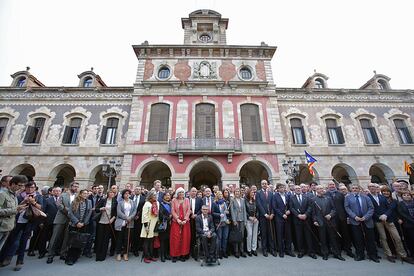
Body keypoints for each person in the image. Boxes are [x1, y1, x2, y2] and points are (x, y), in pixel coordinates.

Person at [0, 180, 43, 271]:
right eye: (28, 187)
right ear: (25, 187)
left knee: (23, 241)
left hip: (29, 221)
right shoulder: (19, 195)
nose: (30, 189)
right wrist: (25, 201)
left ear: (35, 188)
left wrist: (33, 202)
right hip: (17, 220)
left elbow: (40, 207)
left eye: (32, 187)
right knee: (11, 240)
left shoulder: (38, 196)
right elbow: (15, 207)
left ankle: (19, 261)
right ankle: (4, 258)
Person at [368, 183, 412, 263]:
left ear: (377, 188)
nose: (373, 188)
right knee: (384, 238)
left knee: (397, 237)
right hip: (378, 221)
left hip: (388, 219)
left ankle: (403, 255)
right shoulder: (367, 197)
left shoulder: (382, 197)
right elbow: (370, 210)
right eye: (370, 187)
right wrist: (379, 217)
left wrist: (385, 215)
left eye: (374, 186)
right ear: (368, 188)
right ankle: (389, 254)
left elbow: (389, 208)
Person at [344, 184, 379, 262]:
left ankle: (372, 255)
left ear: (359, 189)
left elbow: (371, 208)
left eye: (356, 188)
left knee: (370, 239)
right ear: (351, 189)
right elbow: (347, 208)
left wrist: (365, 217)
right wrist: (354, 216)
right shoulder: (348, 198)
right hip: (355, 221)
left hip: (367, 220)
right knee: (358, 239)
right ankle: (360, 254)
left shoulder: (366, 197)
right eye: (353, 188)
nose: (355, 189)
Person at [46, 181, 79, 264]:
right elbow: (59, 205)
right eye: (74, 186)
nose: (76, 188)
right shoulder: (63, 195)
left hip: (70, 220)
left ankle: (63, 253)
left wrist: (72, 215)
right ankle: (50, 255)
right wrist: (68, 212)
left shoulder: (77, 196)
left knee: (66, 238)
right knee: (55, 237)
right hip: (61, 218)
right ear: (71, 186)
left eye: (77, 187)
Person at [311, 185, 344, 261]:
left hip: (330, 221)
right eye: (318, 188)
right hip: (320, 222)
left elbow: (334, 209)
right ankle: (325, 253)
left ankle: (337, 253)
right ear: (316, 190)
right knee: (323, 239)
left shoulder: (329, 198)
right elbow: (313, 212)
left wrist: (330, 215)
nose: (320, 189)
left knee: (333, 238)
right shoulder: (313, 199)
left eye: (321, 188)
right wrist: (315, 220)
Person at [325, 181, 354, 257]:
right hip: (331, 218)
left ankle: (348, 249)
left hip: (342, 217)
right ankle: (337, 250)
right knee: (334, 235)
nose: (332, 186)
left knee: (345, 234)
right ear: (328, 186)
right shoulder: (325, 195)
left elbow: (345, 206)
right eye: (330, 184)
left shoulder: (340, 194)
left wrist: (347, 216)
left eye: (333, 184)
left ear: (335, 186)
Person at [0, 175, 27, 251]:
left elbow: (13, 209)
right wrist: (16, 209)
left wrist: (21, 206)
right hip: (1, 226)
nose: (21, 188)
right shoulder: (2, 194)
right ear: (13, 184)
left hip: (8, 226)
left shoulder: (14, 195)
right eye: (19, 185)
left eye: (23, 186)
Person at [65, 189, 92, 265]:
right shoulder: (75, 201)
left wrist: (84, 223)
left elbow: (89, 213)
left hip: (83, 225)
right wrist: (77, 222)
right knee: (72, 242)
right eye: (84, 193)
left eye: (87, 193)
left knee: (80, 242)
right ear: (80, 194)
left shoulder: (89, 202)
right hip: (74, 224)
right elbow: (70, 213)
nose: (85, 195)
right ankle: (69, 258)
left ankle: (75, 257)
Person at [289, 185, 316, 259]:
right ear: (294, 190)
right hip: (297, 220)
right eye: (296, 188)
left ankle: (311, 251)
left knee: (308, 236)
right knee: (299, 236)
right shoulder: (291, 198)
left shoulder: (306, 197)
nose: (298, 189)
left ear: (301, 189)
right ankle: (301, 251)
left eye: (299, 188)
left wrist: (306, 215)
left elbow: (310, 207)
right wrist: (298, 215)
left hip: (306, 219)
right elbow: (291, 208)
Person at [37, 186, 61, 259]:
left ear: (61, 192)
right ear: (52, 192)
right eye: (55, 191)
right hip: (48, 221)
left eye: (58, 191)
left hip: (58, 222)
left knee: (55, 238)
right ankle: (42, 252)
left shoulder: (62, 200)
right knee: (43, 237)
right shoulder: (47, 200)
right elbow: (43, 211)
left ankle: (53, 250)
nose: (57, 192)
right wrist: (41, 222)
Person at [272, 183, 295, 257]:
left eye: (283, 187)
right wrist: (282, 215)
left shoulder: (288, 195)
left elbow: (290, 205)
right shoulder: (275, 196)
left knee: (288, 234)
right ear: (278, 189)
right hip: (279, 218)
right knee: (280, 235)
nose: (282, 189)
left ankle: (288, 250)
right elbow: (275, 207)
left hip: (288, 218)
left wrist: (289, 211)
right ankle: (281, 250)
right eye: (280, 187)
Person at [94, 190, 117, 261]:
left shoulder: (115, 201)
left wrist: (112, 219)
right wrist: (101, 209)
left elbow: (115, 213)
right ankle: (98, 255)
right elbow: (96, 209)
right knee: (99, 238)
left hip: (109, 222)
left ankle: (103, 255)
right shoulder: (103, 200)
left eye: (113, 193)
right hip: (101, 221)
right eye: (111, 192)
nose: (112, 193)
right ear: (108, 193)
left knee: (106, 239)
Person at [114, 189, 137, 261]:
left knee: (127, 239)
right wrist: (126, 218)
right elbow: (119, 212)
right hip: (122, 222)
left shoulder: (133, 202)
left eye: (128, 193)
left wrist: (130, 218)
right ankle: (118, 253)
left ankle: (125, 253)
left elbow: (134, 211)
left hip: (130, 222)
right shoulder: (120, 203)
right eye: (125, 193)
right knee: (120, 238)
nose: (127, 195)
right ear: (123, 195)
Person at [170, 187, 191, 262]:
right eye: (179, 192)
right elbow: (172, 210)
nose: (181, 194)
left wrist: (185, 219)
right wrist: (177, 219)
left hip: (185, 223)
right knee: (176, 239)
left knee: (185, 239)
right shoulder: (174, 200)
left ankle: (183, 254)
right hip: (176, 222)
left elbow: (189, 210)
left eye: (182, 192)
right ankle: (175, 255)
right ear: (177, 193)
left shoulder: (187, 200)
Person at [256, 180, 276, 256]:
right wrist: (265, 214)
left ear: (267, 184)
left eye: (265, 183)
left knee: (271, 233)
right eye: (263, 184)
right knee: (264, 234)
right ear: (261, 185)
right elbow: (259, 204)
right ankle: (264, 249)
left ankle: (271, 249)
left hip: (271, 216)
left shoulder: (271, 193)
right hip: (263, 217)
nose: (264, 185)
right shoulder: (258, 193)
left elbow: (273, 204)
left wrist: (272, 214)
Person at [141, 191, 159, 263]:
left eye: (155, 196)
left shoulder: (155, 203)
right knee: (146, 241)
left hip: (153, 224)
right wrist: (146, 226)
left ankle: (151, 256)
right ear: (150, 196)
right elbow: (144, 215)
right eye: (154, 195)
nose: (155, 197)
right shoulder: (147, 203)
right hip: (148, 224)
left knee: (151, 241)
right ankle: (146, 256)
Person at [230, 188, 247, 258]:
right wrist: (234, 220)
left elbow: (244, 211)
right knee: (236, 236)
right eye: (236, 191)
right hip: (236, 220)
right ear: (234, 193)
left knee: (242, 236)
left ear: (240, 193)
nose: (237, 193)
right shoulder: (232, 200)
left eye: (238, 191)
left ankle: (242, 251)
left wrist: (245, 220)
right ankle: (236, 251)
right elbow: (232, 211)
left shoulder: (243, 200)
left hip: (242, 219)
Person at [397, 190, 414, 257]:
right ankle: (412, 254)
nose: (406, 196)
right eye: (404, 195)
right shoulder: (400, 204)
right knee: (411, 239)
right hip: (408, 224)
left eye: (408, 195)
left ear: (411, 196)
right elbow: (402, 214)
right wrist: (412, 220)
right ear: (402, 196)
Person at [213, 191, 230, 258]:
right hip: (219, 223)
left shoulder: (224, 202)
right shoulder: (215, 203)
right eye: (219, 194)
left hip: (225, 222)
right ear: (216, 195)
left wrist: (227, 212)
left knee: (225, 238)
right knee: (219, 238)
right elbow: (213, 213)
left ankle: (224, 251)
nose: (220, 195)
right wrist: (219, 215)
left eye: (221, 194)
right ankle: (219, 252)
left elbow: (227, 212)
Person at [188, 187, 202, 259]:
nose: (194, 192)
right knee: (189, 235)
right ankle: (188, 251)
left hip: (196, 219)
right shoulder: (186, 199)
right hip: (188, 219)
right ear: (190, 192)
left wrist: (196, 214)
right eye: (192, 191)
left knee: (195, 236)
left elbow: (201, 209)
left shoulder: (199, 200)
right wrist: (189, 213)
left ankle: (195, 252)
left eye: (195, 191)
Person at [131, 186, 145, 256]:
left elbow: (143, 209)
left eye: (139, 189)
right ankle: (130, 248)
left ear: (141, 191)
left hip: (138, 219)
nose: (138, 191)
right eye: (136, 189)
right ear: (134, 190)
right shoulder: (131, 197)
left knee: (137, 235)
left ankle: (135, 249)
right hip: (130, 218)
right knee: (130, 234)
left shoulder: (143, 198)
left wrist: (138, 215)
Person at [158, 192, 172, 262]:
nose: (167, 196)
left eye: (169, 195)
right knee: (163, 240)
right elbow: (160, 215)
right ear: (163, 197)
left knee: (167, 240)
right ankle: (162, 255)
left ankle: (167, 254)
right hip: (163, 225)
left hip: (170, 225)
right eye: (166, 195)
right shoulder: (161, 204)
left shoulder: (171, 204)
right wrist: (168, 218)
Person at [245, 188, 259, 256]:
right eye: (252, 192)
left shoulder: (255, 201)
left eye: (254, 193)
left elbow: (257, 210)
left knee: (255, 235)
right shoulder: (245, 201)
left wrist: (256, 217)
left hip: (255, 220)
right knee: (250, 235)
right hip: (248, 220)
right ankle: (249, 249)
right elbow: (244, 211)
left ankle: (254, 249)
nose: (253, 194)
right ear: (248, 193)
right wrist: (249, 217)